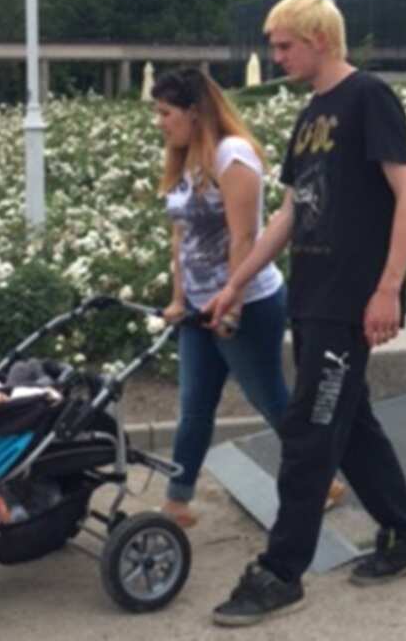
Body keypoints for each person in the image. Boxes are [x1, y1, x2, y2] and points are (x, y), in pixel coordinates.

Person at [204, 0, 406, 627]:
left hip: (351, 301)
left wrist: (389, 287)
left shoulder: (369, 98)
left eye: (284, 45)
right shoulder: (311, 114)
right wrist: (236, 284)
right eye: (273, 46)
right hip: (311, 300)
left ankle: (281, 573)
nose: (275, 56)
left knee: (308, 434)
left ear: (320, 41)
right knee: (350, 424)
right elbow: (287, 214)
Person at [151, 68, 345, 530]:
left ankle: (323, 482)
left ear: (195, 113)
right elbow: (181, 237)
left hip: (247, 304)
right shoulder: (186, 161)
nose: (159, 122)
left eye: (165, 112)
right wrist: (179, 299)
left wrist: (232, 305)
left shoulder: (232, 157)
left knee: (270, 399)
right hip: (200, 307)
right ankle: (178, 504)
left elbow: (244, 238)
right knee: (194, 405)